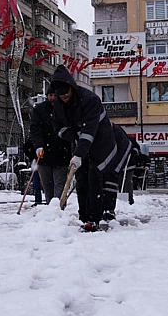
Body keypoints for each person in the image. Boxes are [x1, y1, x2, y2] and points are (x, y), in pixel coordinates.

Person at [50, 65, 130, 231]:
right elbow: (58, 127)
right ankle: (84, 216)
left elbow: (89, 130)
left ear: (71, 87)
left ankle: (94, 218)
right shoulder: (59, 104)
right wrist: (74, 137)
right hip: (82, 143)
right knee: (81, 178)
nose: (64, 96)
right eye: (60, 94)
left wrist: (79, 152)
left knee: (95, 177)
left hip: (102, 143)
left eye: (66, 92)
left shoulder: (89, 100)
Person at [29, 86, 71, 205]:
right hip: (44, 155)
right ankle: (50, 210)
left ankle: (59, 209)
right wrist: (38, 146)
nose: (52, 98)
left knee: (60, 187)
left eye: (54, 95)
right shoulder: (40, 109)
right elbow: (35, 129)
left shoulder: (65, 109)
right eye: (50, 95)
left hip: (61, 154)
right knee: (47, 188)